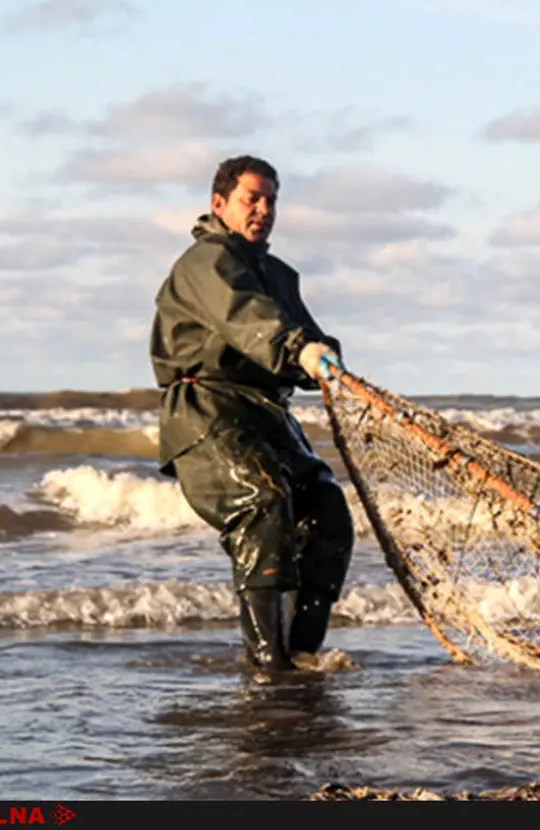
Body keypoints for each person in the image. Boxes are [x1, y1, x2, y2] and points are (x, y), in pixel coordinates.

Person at [149, 154, 355, 676]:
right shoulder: (206, 263)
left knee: (328, 514)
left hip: (265, 413)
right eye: (251, 199)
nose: (262, 210)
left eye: (270, 201)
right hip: (206, 409)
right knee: (261, 501)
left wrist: (322, 356)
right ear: (219, 204)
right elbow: (248, 320)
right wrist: (295, 348)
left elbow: (302, 336)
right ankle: (267, 661)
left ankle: (303, 652)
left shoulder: (277, 273)